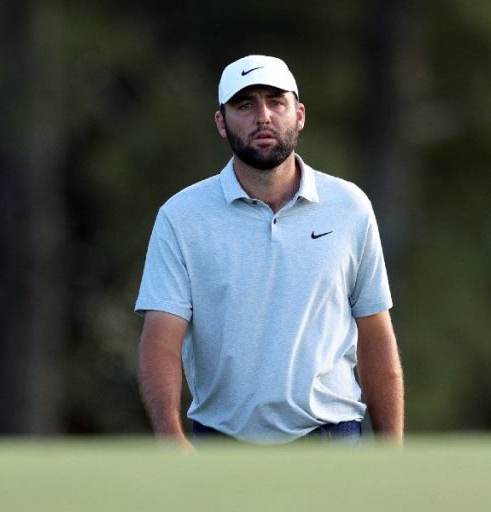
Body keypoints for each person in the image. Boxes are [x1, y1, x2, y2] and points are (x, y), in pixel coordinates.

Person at [134, 54, 403, 447]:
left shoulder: (350, 206)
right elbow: (161, 338)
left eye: (276, 102)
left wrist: (391, 454)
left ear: (299, 115)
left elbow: (375, 333)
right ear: (221, 123)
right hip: (222, 445)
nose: (263, 116)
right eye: (245, 106)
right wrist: (170, 440)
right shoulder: (181, 216)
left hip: (334, 440)